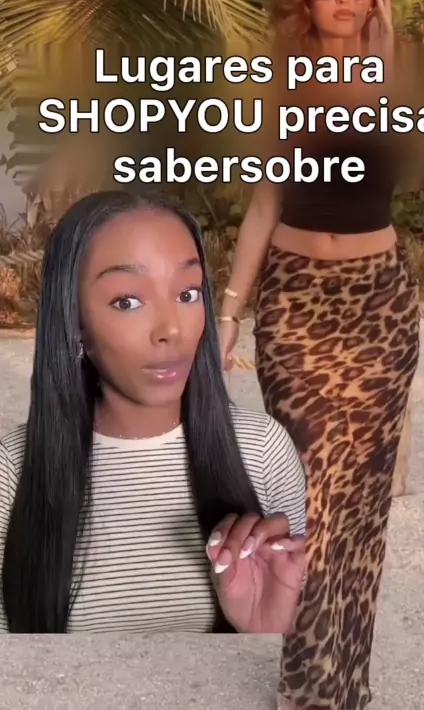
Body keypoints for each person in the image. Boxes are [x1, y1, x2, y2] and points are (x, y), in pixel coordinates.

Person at [218, 0, 420, 709]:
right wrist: (230, 313)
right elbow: (264, 203)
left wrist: (384, 47)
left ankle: (346, 682)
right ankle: (306, 685)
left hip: (378, 306)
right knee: (309, 499)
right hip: (296, 305)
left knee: (358, 505)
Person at [0, 188, 306, 634]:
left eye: (188, 293)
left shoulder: (263, 450)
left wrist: (267, 632)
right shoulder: (13, 469)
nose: (171, 330)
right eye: (127, 301)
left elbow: (309, 652)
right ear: (74, 322)